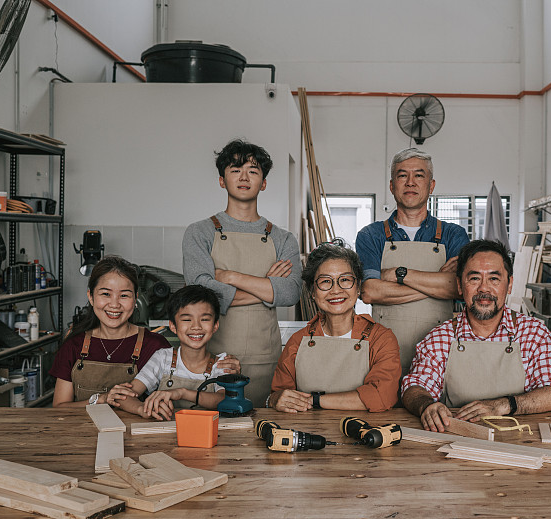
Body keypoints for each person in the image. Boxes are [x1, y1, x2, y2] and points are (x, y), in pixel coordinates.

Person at [401, 239, 551, 432]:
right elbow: (414, 387)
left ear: (509, 285)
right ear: (459, 285)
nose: (484, 288)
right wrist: (427, 406)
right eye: (474, 278)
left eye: (494, 279)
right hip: (458, 437)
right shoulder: (440, 337)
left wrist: (503, 405)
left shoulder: (534, 333)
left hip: (523, 440)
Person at [183, 139, 302, 406]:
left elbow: (291, 292)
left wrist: (229, 277)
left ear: (264, 182)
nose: (244, 177)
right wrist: (267, 288)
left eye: (253, 170)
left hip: (265, 356)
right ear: (222, 180)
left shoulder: (283, 238)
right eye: (235, 169)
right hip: (211, 356)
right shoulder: (199, 232)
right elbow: (200, 295)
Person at [50, 256, 239, 407]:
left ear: (136, 299)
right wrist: (100, 399)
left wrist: (232, 374)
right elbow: (60, 408)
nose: (114, 304)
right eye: (105, 294)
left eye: (124, 295)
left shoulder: (155, 346)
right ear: (91, 297)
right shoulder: (74, 344)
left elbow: (224, 398)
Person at [356, 148, 469, 374]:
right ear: (391, 185)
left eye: (419, 175)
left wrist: (400, 274)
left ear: (431, 185)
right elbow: (369, 292)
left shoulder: (453, 235)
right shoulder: (371, 235)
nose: (410, 182)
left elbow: (461, 288)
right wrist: (437, 284)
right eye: (402, 175)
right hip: (384, 353)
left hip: (441, 353)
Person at [269, 242, 401, 412]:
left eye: (345, 280)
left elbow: (382, 396)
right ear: (311, 291)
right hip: (308, 432)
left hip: (365, 433)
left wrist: (313, 400)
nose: (336, 290)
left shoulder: (381, 339)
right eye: (325, 281)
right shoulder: (297, 342)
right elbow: (278, 394)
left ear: (358, 286)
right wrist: (274, 400)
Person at [116, 285, 229, 420]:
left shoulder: (223, 363)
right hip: (165, 434)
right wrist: (142, 409)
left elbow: (224, 401)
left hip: (208, 436)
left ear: (215, 325)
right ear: (173, 326)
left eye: (205, 319)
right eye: (187, 319)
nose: (196, 327)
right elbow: (125, 396)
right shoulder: (162, 358)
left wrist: (182, 393)